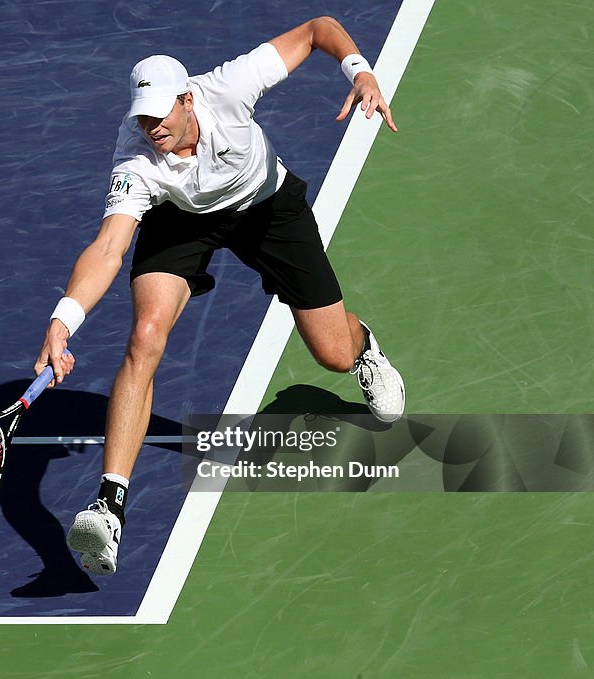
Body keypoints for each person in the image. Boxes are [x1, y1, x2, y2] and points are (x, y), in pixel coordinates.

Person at [33, 16, 405, 577]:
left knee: (332, 352)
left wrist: (361, 72)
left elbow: (317, 29)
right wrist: (65, 319)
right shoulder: (137, 158)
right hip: (182, 221)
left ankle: (365, 348)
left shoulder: (229, 87)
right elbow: (109, 247)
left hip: (266, 208)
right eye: (144, 116)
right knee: (145, 336)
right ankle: (109, 506)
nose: (152, 126)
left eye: (161, 113)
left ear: (187, 99)